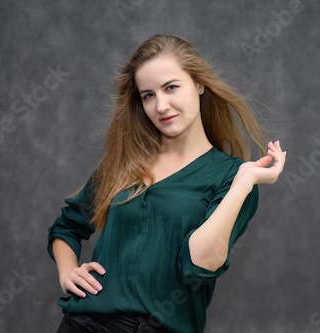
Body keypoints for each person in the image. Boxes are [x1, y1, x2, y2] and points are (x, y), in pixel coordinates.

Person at [47, 33, 286, 333]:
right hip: (80, 324)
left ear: (199, 84)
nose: (161, 106)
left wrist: (244, 181)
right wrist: (68, 272)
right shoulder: (126, 160)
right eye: (148, 95)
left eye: (171, 87)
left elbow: (196, 268)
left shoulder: (232, 177)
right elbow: (67, 226)